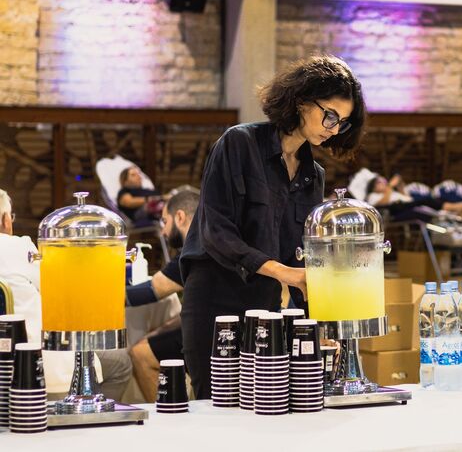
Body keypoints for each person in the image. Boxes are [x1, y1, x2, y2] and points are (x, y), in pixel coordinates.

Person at [179, 55, 366, 399]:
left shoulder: (313, 175)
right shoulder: (239, 143)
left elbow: (301, 257)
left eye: (342, 123)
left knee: (266, 402)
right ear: (301, 101)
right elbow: (216, 233)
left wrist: (318, 325)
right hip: (215, 299)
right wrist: (285, 273)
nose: (333, 128)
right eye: (330, 115)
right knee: (214, 406)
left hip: (266, 307)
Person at [0, 189, 132, 400]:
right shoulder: (18, 246)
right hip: (37, 358)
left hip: (7, 366)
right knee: (120, 362)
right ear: (6, 220)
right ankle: (91, 411)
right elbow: (57, 288)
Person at [127, 190, 198, 403]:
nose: (164, 231)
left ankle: (168, 416)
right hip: (217, 325)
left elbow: (152, 290)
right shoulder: (209, 238)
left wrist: (103, 296)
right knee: (155, 336)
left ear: (180, 217)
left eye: (165, 222)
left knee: (141, 354)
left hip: (207, 336)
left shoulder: (193, 250)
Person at [365, 174, 462, 219]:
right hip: (396, 209)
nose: (384, 183)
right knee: (426, 201)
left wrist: (399, 186)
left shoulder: (391, 192)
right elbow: (384, 203)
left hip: (408, 204)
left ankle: (458, 209)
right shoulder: (372, 196)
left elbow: (406, 197)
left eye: (383, 180)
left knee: (432, 200)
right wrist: (390, 186)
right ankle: (459, 207)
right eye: (379, 182)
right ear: (373, 188)